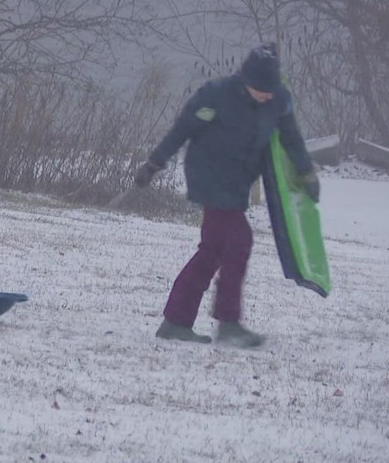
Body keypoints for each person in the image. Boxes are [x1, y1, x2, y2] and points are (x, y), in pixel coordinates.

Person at [133, 44, 320, 348]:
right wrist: (154, 163)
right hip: (208, 175)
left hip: (239, 180)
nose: (267, 95)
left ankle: (176, 322)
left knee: (212, 251)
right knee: (238, 240)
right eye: (261, 89)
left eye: (271, 90)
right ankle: (228, 323)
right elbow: (182, 129)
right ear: (246, 80)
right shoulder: (216, 94)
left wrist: (307, 173)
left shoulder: (278, 100)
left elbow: (292, 139)